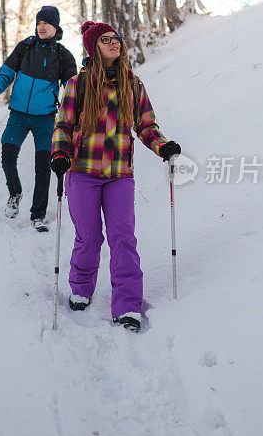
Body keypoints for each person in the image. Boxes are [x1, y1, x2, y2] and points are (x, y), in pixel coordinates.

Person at [50, 21, 181, 332]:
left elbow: (146, 126)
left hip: (120, 175)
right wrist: (59, 154)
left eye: (116, 38)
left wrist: (163, 146)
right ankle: (81, 289)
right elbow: (63, 127)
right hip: (82, 172)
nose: (114, 43)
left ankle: (127, 307)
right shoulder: (77, 84)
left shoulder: (133, 86)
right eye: (106, 39)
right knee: (90, 237)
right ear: (94, 47)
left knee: (124, 240)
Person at [0, 6, 77, 232]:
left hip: (45, 119)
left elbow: (72, 88)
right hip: (18, 115)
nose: (41, 27)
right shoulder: (25, 47)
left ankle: (38, 215)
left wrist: (75, 106)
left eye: (46, 23)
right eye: (39, 23)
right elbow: (6, 72)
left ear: (56, 26)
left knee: (43, 167)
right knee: (7, 156)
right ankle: (15, 193)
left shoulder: (63, 55)